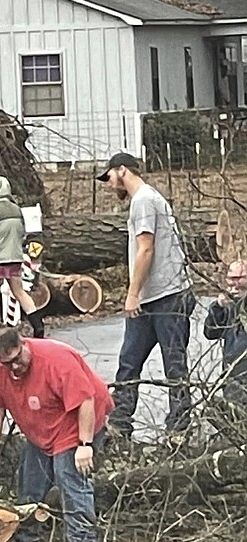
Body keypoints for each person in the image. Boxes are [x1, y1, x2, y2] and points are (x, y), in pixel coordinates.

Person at [0, 329, 113, 542]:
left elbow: (86, 401)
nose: (14, 367)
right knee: (31, 479)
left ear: (24, 343)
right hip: (41, 429)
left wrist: (84, 445)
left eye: (16, 359)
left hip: (77, 421)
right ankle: (28, 539)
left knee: (68, 476)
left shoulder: (56, 361)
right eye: (7, 363)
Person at [97, 152, 196, 437]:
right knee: (129, 360)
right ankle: (120, 422)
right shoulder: (146, 199)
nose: (108, 184)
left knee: (173, 362)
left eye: (110, 177)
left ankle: (179, 427)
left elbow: (146, 249)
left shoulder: (143, 201)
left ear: (123, 171)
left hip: (167, 295)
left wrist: (132, 293)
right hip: (152, 296)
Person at [0, 176, 44, 343]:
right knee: (19, 292)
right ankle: (38, 325)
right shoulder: (17, 210)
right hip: (14, 258)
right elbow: (22, 233)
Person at [204, 260, 247, 408]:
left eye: (239, 278)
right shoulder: (227, 304)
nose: (234, 284)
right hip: (231, 374)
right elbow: (210, 332)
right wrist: (218, 307)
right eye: (231, 278)